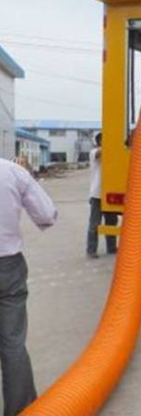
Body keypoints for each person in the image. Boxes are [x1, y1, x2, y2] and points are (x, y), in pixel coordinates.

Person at [0, 157, 58, 416]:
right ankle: (21, 410)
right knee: (12, 343)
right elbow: (47, 215)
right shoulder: (12, 171)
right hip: (7, 265)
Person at [86, 133, 118, 258]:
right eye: (103, 139)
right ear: (99, 141)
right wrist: (112, 144)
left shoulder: (113, 152)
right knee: (95, 224)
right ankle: (91, 250)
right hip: (97, 194)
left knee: (111, 223)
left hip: (110, 193)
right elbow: (100, 153)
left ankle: (111, 248)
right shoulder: (94, 153)